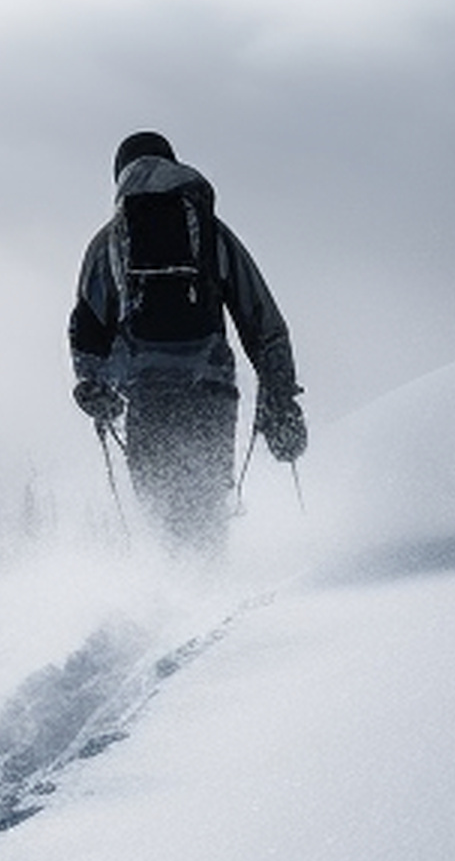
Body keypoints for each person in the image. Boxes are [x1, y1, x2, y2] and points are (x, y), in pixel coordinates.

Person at [68, 131, 302, 551]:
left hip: (148, 396)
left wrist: (93, 388)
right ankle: (208, 591)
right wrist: (280, 396)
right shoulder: (210, 232)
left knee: (163, 512)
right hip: (210, 390)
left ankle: (178, 597)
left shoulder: (109, 243)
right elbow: (261, 318)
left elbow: (86, 330)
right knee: (207, 503)